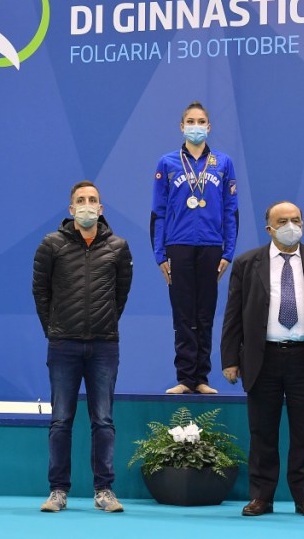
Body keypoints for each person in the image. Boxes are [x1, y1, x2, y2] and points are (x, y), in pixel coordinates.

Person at [220, 201, 304, 518]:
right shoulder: (247, 262)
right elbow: (233, 315)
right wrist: (229, 359)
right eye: (283, 221)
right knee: (262, 432)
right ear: (269, 228)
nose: (291, 226)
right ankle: (261, 497)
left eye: (296, 220)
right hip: (262, 358)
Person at [33, 181, 133, 514]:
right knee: (61, 420)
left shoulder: (118, 247)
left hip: (104, 347)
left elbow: (120, 294)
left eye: (92, 200)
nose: (87, 205)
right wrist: (54, 330)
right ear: (71, 208)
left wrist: (104, 324)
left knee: (103, 420)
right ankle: (58, 491)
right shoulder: (51, 244)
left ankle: (104, 490)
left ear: (101, 209)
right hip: (63, 345)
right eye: (81, 200)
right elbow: (40, 292)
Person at [151, 101, 238, 394]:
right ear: (182, 126)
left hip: (211, 246)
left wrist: (228, 252)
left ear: (209, 127)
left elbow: (231, 211)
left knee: (205, 313)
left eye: (201, 121)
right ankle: (185, 378)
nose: (196, 126)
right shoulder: (167, 163)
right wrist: (160, 254)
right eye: (191, 121)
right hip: (178, 246)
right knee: (183, 313)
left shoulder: (223, 163)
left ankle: (201, 378)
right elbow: (158, 212)